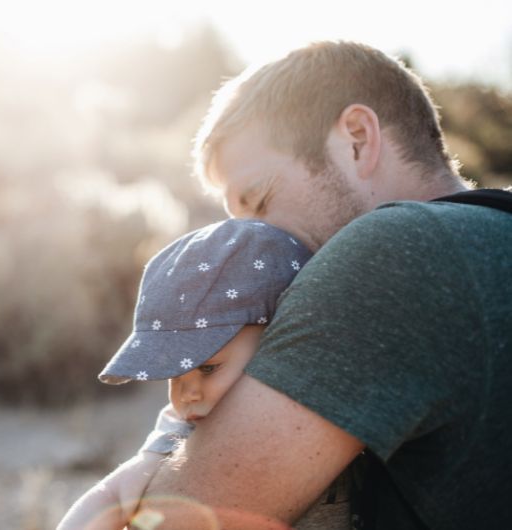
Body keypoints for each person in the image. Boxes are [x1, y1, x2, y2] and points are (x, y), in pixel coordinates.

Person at [133, 40, 512, 529]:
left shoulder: (393, 251)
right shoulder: (490, 235)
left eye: (260, 200)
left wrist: (144, 467)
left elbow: (176, 523)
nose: (251, 242)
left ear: (356, 138)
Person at [57, 218, 324, 530]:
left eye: (208, 368)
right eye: (173, 374)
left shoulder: (323, 404)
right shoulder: (183, 429)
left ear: (278, 337)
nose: (186, 394)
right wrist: (147, 467)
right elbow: (112, 494)